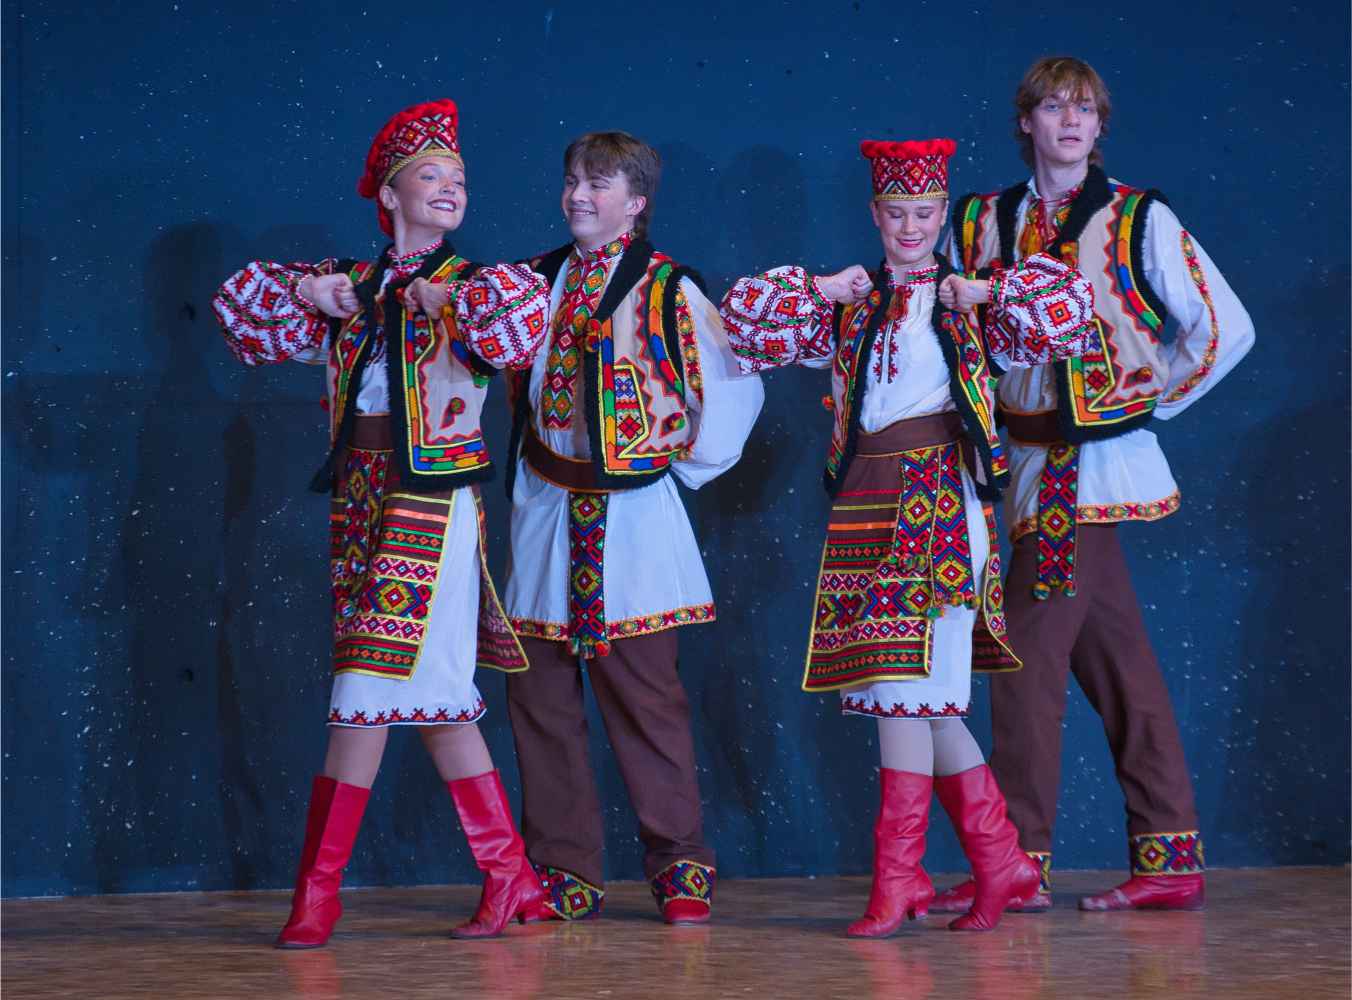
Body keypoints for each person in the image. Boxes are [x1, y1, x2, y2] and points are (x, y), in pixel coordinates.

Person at [719, 137, 1096, 934]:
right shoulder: (853, 305)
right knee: (925, 706)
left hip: (937, 502)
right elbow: (742, 324)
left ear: (943, 213)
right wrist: (821, 286)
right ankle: (1001, 861)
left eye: (925, 212)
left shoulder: (971, 306)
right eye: (897, 213)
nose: (912, 226)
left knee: (902, 691)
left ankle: (898, 879)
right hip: (867, 499)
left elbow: (1071, 310)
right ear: (875, 214)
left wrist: (987, 289)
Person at [212, 99, 551, 945]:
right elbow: (239, 311)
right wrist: (308, 289)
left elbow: (516, 328)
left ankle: (316, 894)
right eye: (431, 175)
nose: (450, 188)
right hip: (363, 497)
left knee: (363, 686)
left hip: (433, 499)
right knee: (437, 701)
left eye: (459, 178)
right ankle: (510, 876)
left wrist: (444, 297)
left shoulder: (476, 285)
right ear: (390, 195)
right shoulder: (350, 287)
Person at [932, 56, 1254, 914]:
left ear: (1101, 125)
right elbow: (951, 336)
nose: (1071, 121)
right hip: (1023, 461)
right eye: (1053, 107)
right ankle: (1169, 853)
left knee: (1023, 662)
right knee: (1120, 666)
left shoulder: (1139, 218)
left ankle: (1017, 860)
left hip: (1095, 470)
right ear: (1026, 121)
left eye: (1085, 109)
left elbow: (1223, 328)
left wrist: (1143, 399)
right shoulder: (979, 219)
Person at [501, 131, 764, 925]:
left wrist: (669, 468)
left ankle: (680, 863)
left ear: (637, 202)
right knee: (540, 697)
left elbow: (732, 385)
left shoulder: (668, 289)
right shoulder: (532, 281)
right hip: (548, 506)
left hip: (634, 517)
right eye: (572, 180)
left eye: (598, 183)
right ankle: (562, 866)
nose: (578, 195)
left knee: (648, 697)